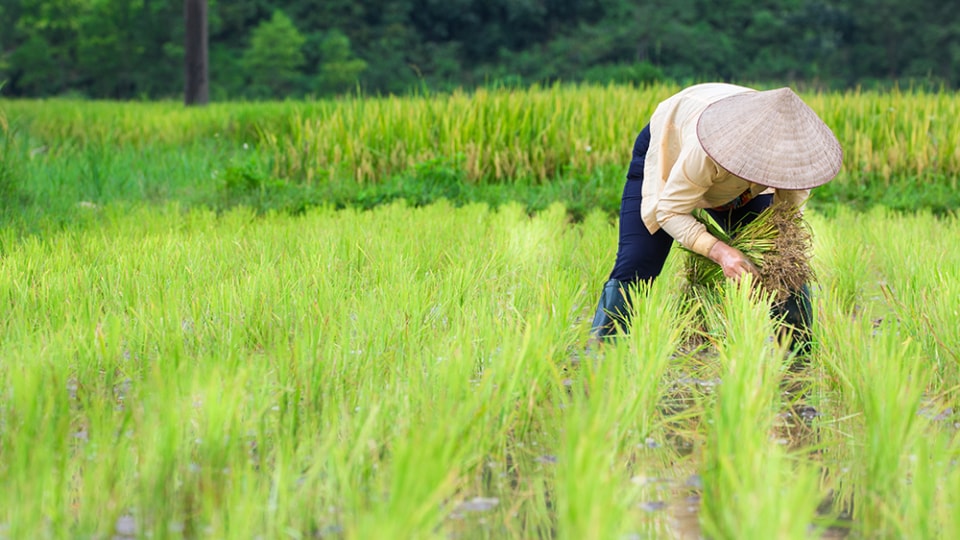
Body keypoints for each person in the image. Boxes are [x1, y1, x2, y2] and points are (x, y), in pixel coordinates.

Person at [590, 83, 843, 353]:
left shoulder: (798, 163)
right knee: (639, 261)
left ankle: (798, 361)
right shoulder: (707, 148)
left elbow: (784, 223)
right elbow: (670, 211)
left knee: (782, 263)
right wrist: (721, 253)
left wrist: (771, 256)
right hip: (673, 138)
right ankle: (603, 360)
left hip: (733, 180)